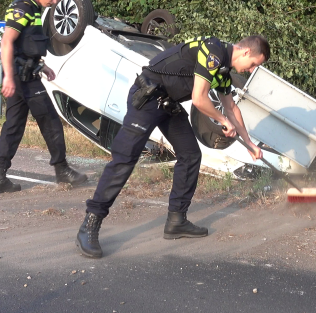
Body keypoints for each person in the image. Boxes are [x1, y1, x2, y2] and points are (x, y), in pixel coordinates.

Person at [76, 35, 270, 258]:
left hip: (168, 103)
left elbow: (232, 108)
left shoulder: (224, 72)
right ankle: (89, 225)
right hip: (148, 98)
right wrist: (223, 121)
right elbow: (199, 98)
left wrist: (250, 144)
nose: (250, 69)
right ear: (245, 52)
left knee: (190, 154)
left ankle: (177, 220)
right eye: (253, 64)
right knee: (125, 159)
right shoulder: (214, 51)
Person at [0, 0, 88, 194]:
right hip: (22, 80)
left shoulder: (33, 9)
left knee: (13, 126)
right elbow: (6, 42)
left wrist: (41, 66)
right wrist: (9, 77)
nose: (54, 1)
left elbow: (26, 46)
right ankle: (62, 171)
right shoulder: (23, 8)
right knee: (50, 121)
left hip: (27, 74)